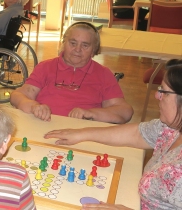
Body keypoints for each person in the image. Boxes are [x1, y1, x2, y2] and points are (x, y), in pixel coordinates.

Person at [45, 59, 182, 210]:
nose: (157, 95)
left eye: (164, 91)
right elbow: (136, 134)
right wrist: (82, 134)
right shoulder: (171, 128)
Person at [10, 22, 133, 123]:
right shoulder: (45, 67)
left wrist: (90, 113)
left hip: (83, 134)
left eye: (85, 45)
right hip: (44, 125)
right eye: (73, 43)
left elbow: (125, 111)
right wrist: (34, 106)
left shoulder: (103, 74)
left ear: (94, 50)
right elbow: (16, 96)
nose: (77, 50)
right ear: (63, 43)